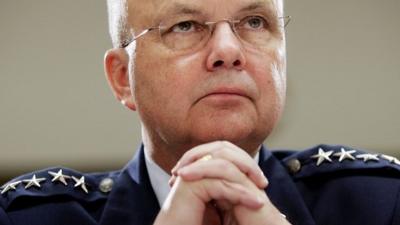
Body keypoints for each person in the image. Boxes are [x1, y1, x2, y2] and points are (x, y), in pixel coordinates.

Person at [1, 0, 400, 224]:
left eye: (254, 22)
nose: (228, 51)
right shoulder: (27, 218)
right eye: (186, 26)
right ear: (123, 78)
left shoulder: (380, 204)